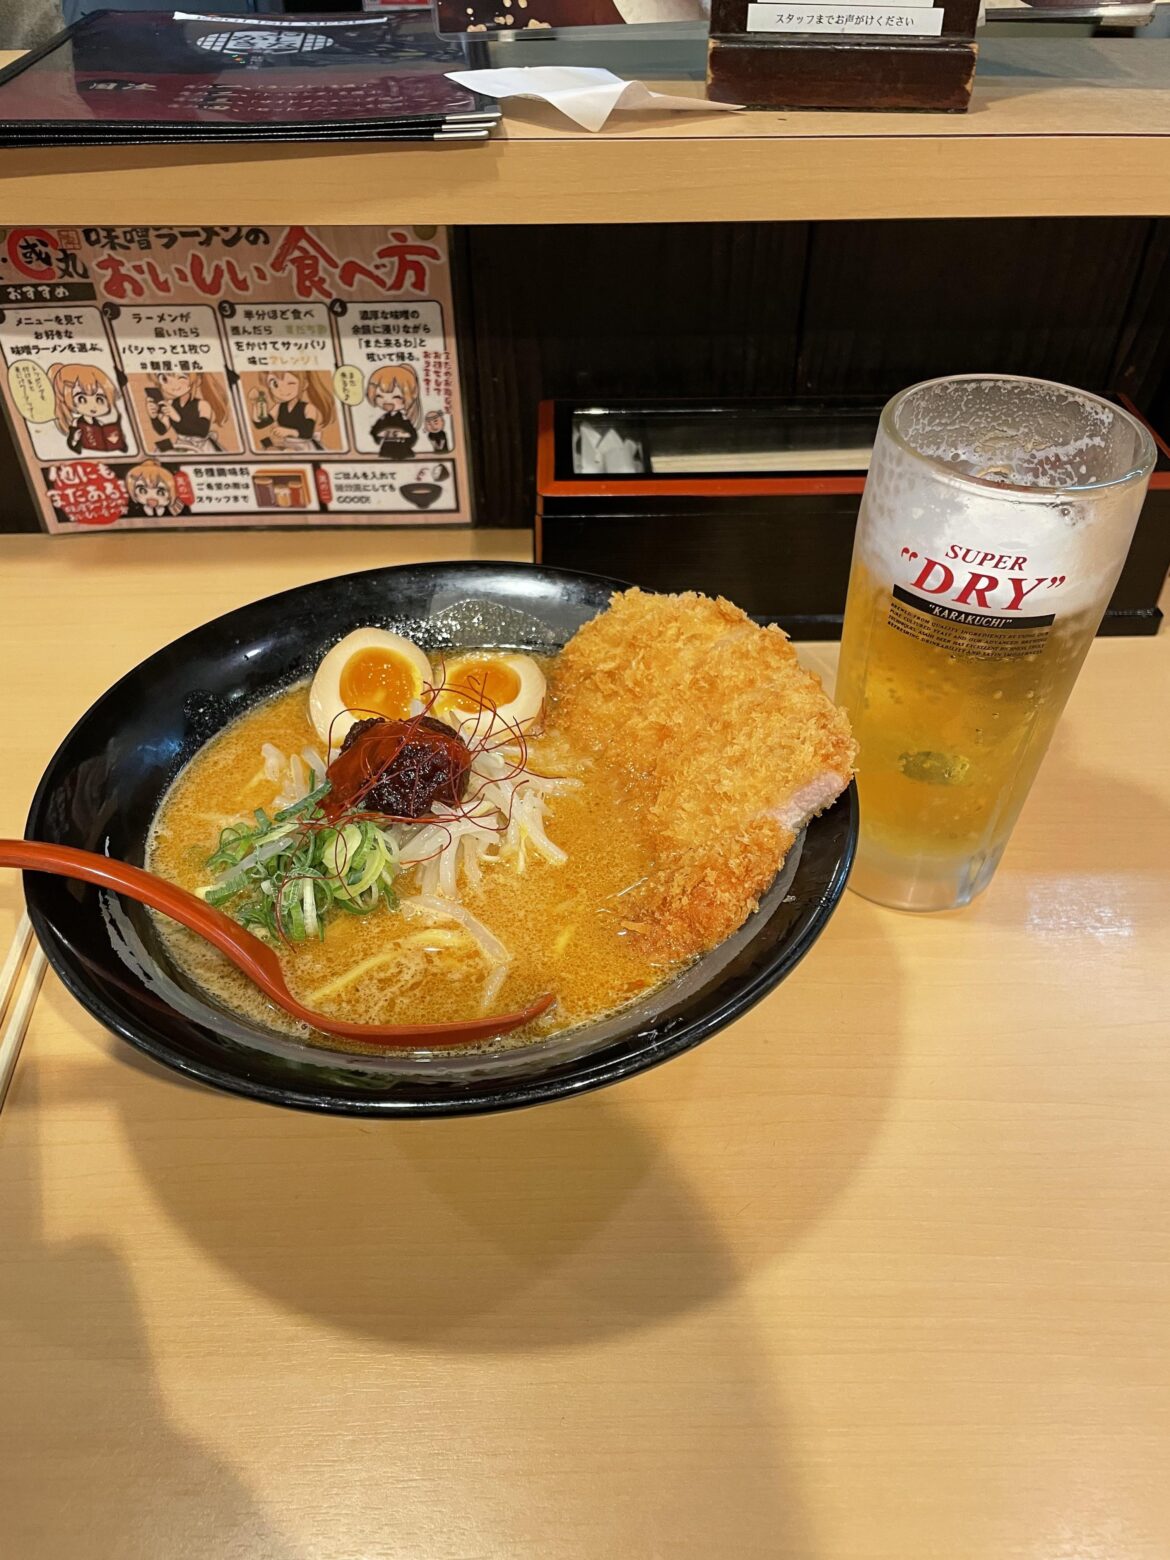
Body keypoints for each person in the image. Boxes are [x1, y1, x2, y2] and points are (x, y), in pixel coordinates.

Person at [49, 362, 129, 454]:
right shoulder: (76, 423)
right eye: (81, 399)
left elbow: (124, 446)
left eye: (99, 399)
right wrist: (75, 439)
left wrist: (120, 438)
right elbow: (73, 446)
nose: (92, 406)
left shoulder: (111, 419)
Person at [248, 369, 335, 452]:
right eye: (275, 384)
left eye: (290, 383)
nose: (281, 390)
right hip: (286, 443)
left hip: (303, 445)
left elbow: (307, 433)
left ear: (304, 384)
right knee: (267, 448)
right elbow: (260, 424)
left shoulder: (308, 408)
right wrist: (255, 403)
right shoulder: (279, 407)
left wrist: (289, 431)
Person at [145, 370, 230, 454]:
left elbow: (202, 431)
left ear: (198, 380)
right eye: (164, 379)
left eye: (181, 377)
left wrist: (177, 418)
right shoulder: (170, 403)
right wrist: (154, 417)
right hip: (182, 445)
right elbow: (162, 430)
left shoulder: (202, 405)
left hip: (202, 447)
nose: (173, 385)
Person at [366, 364, 421, 460]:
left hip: (401, 448)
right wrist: (381, 434)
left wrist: (402, 434)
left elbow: (412, 435)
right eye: (379, 396)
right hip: (386, 449)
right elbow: (374, 431)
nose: (387, 402)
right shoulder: (383, 418)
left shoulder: (403, 419)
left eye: (396, 397)